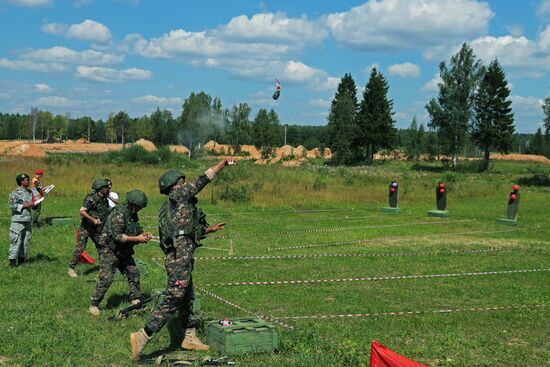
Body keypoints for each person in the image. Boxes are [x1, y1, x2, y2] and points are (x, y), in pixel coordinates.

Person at [130, 159, 233, 361]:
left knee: (188, 296)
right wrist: (222, 164)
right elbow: (203, 179)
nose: (186, 184)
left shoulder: (175, 206)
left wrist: (208, 230)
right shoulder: (178, 195)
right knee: (174, 295)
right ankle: (143, 336)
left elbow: (185, 231)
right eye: (182, 181)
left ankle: (190, 336)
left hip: (178, 256)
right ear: (174, 185)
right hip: (179, 258)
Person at [89, 189, 152, 316]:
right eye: (139, 207)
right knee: (106, 279)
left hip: (124, 250)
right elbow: (117, 237)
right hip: (109, 250)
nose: (140, 209)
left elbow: (133, 229)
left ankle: (136, 299)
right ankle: (94, 304)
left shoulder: (132, 214)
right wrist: (137, 239)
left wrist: (142, 235)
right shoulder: (119, 214)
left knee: (133, 272)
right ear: (133, 205)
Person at [67, 179, 111, 278]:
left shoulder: (104, 198)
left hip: (97, 229)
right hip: (86, 227)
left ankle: (104, 268)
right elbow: (82, 211)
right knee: (80, 248)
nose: (108, 189)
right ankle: (71, 268)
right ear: (100, 188)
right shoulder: (91, 198)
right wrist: (93, 219)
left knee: (102, 246)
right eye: (105, 187)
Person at [8, 174, 35, 267]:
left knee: (25, 240)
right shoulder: (14, 193)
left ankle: (22, 260)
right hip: (18, 221)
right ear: (21, 182)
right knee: (16, 241)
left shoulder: (30, 192)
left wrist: (35, 204)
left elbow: (33, 205)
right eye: (27, 180)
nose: (29, 181)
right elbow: (12, 206)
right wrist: (24, 205)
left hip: (27, 220)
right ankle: (12, 262)